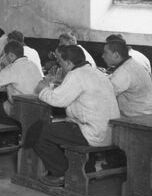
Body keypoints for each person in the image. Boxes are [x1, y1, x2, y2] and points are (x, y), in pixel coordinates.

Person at [29, 45, 119, 187]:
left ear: (69, 63)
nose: (60, 66)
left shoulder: (76, 75)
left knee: (39, 131)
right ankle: (85, 171)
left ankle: (62, 174)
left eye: (60, 62)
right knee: (61, 128)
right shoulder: (97, 73)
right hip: (110, 131)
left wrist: (43, 89)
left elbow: (57, 100)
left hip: (93, 132)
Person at [0, 41, 44, 125]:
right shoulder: (33, 65)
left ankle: (4, 137)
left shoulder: (13, 68)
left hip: (21, 110)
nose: (4, 58)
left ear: (11, 55)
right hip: (38, 109)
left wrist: (6, 85)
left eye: (5, 55)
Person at [103, 39, 152, 117]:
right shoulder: (133, 64)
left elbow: (105, 94)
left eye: (105, 53)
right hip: (151, 114)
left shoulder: (124, 71)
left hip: (141, 119)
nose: (103, 56)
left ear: (116, 55)